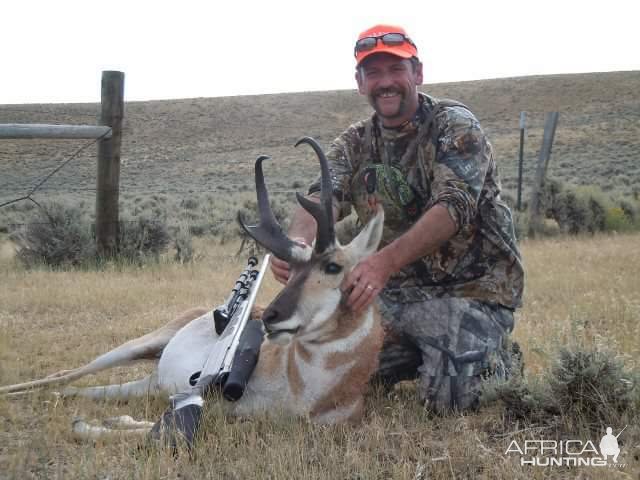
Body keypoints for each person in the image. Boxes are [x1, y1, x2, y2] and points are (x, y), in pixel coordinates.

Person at [271, 24, 525, 412]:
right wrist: (297, 246)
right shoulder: (354, 142)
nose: (385, 82)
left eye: (396, 70)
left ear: (417, 74)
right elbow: (322, 199)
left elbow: (453, 207)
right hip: (389, 297)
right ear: (360, 83)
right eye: (374, 73)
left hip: (471, 291)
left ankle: (491, 357)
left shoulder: (454, 125)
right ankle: (424, 358)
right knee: (334, 377)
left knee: (451, 403)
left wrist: (383, 263)